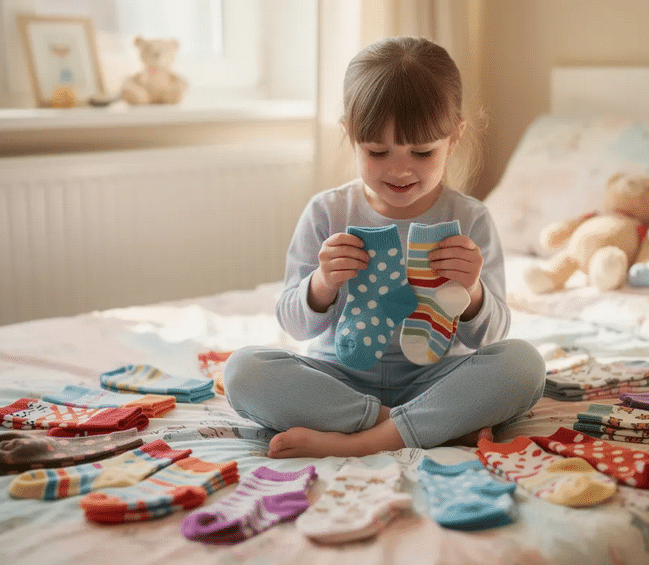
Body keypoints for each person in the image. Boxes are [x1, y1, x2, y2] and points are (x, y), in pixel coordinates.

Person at [222, 36, 545, 459]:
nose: (400, 169)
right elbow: (294, 325)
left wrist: (472, 291)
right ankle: (417, 425)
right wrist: (322, 285)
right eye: (377, 152)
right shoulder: (327, 212)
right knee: (243, 371)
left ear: (454, 137)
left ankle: (363, 441)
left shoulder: (470, 219)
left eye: (422, 152)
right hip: (339, 378)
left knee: (524, 365)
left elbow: (492, 335)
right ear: (350, 135)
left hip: (436, 379)